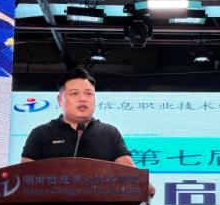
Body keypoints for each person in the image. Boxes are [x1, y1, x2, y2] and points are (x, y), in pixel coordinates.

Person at [21, 67, 155, 196]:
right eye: (74, 93)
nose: (83, 99)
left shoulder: (109, 133)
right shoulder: (41, 133)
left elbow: (130, 171)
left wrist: (143, 182)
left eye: (88, 93)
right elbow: (23, 178)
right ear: (60, 100)